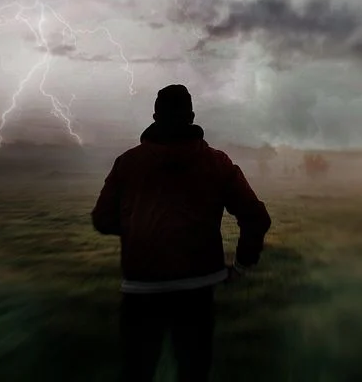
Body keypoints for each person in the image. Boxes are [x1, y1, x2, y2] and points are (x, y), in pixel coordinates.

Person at [91, 84, 272, 382]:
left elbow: (102, 220)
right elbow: (256, 217)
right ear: (191, 116)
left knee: (136, 372)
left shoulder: (128, 162)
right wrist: (242, 264)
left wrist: (139, 228)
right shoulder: (217, 162)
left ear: (154, 116)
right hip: (198, 290)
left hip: (141, 289)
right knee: (194, 372)